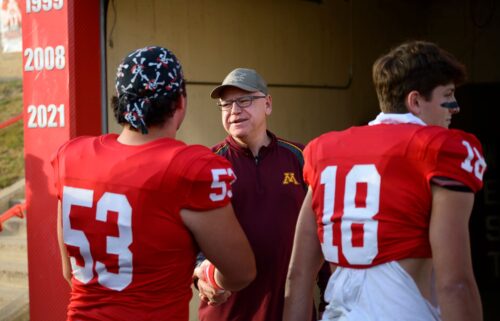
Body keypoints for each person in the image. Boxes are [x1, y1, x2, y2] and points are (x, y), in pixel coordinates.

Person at [283, 40, 486, 321]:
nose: (455, 107)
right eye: (447, 95)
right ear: (415, 101)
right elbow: (456, 284)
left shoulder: (323, 151)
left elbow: (298, 275)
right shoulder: (439, 148)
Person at [51, 46, 256, 321]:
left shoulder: (71, 157)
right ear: (180, 102)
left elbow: (69, 272)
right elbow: (241, 271)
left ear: (121, 102)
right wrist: (208, 275)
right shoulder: (189, 168)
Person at [193, 68, 330, 321]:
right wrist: (199, 272)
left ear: (267, 104)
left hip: (289, 311)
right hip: (227, 313)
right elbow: (194, 235)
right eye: (226, 104)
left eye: (244, 100)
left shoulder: (301, 158)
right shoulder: (208, 163)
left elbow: (323, 232)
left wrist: (328, 303)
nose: (234, 110)